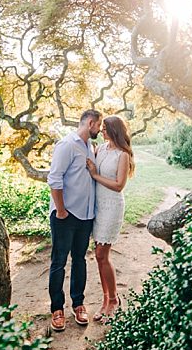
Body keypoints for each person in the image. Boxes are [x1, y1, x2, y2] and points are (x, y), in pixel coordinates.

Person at [47, 109, 102, 332]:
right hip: (65, 215)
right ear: (90, 123)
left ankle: (78, 304)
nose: (100, 129)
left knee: (79, 260)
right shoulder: (67, 144)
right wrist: (60, 210)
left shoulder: (89, 147)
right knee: (59, 262)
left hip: (85, 216)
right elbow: (54, 178)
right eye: (98, 125)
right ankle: (57, 308)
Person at [85, 115, 135, 323]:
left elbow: (119, 185)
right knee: (99, 256)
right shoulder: (101, 148)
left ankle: (113, 300)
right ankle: (106, 299)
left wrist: (95, 175)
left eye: (105, 128)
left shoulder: (123, 155)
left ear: (114, 130)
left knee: (101, 254)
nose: (101, 131)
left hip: (112, 206)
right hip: (98, 205)